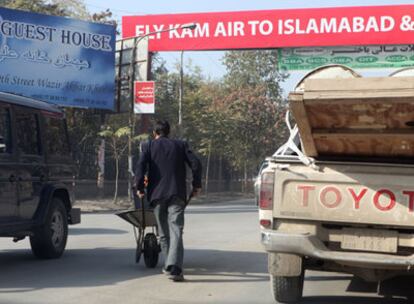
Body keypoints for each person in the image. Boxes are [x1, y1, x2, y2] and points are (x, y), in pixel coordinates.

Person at [135, 120, 202, 282]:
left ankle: (170, 265)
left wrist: (139, 188)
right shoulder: (180, 145)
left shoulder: (148, 146)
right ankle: (174, 267)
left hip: (157, 195)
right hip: (177, 193)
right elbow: (196, 164)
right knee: (176, 229)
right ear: (169, 132)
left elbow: (140, 167)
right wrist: (196, 185)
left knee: (164, 232)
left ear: (154, 133)